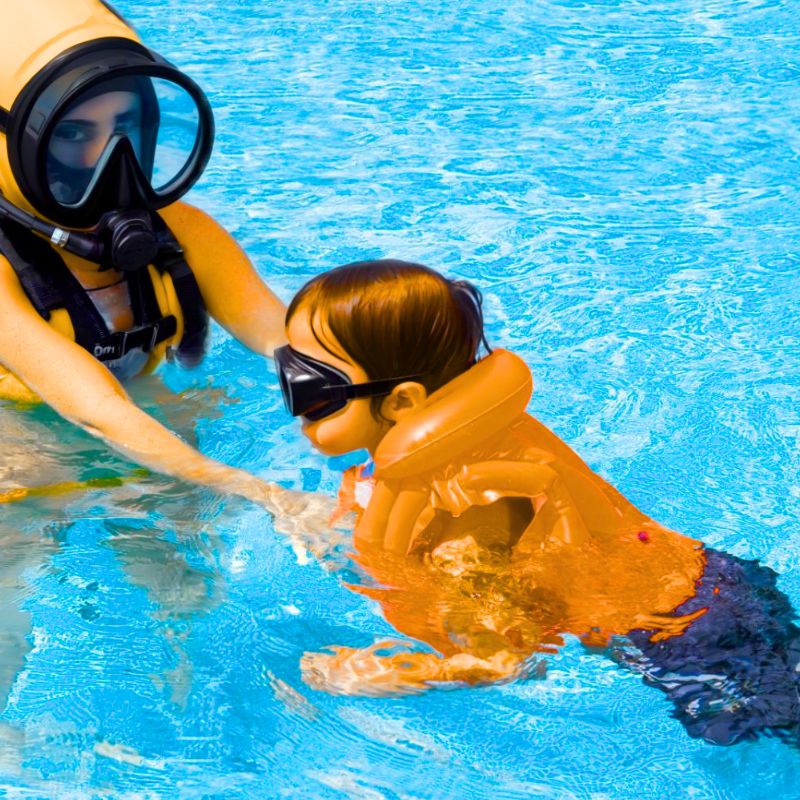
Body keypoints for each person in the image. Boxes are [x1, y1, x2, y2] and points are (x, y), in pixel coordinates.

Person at [273, 258, 800, 746]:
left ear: (402, 402)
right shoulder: (433, 454)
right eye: (287, 367)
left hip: (689, 636)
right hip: (709, 583)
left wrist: (379, 674)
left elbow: (506, 658)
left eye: (312, 388)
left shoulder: (469, 510)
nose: (289, 394)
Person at [0, 0, 288, 508]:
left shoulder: (181, 232)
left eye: (125, 126)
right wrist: (260, 493)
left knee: (185, 531)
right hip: (21, 436)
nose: (105, 159)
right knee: (28, 498)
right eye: (71, 133)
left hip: (136, 407)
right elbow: (95, 411)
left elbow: (289, 337)